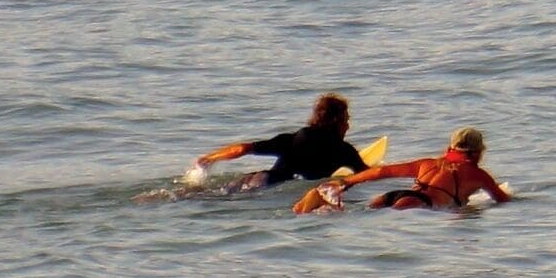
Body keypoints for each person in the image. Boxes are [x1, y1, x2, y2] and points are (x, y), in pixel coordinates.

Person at [297, 125, 509, 213]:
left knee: (358, 212)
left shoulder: (428, 163)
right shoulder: (478, 175)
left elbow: (382, 171)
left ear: (450, 149)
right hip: (417, 204)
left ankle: (313, 204)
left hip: (394, 195)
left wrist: (346, 182)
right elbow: (502, 199)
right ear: (477, 153)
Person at [197, 93, 369, 188]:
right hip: (272, 187)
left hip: (257, 179)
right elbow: (368, 175)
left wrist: (210, 158)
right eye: (346, 120)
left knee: (204, 194)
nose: (348, 126)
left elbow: (243, 148)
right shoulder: (343, 150)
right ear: (336, 122)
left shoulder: (293, 138)